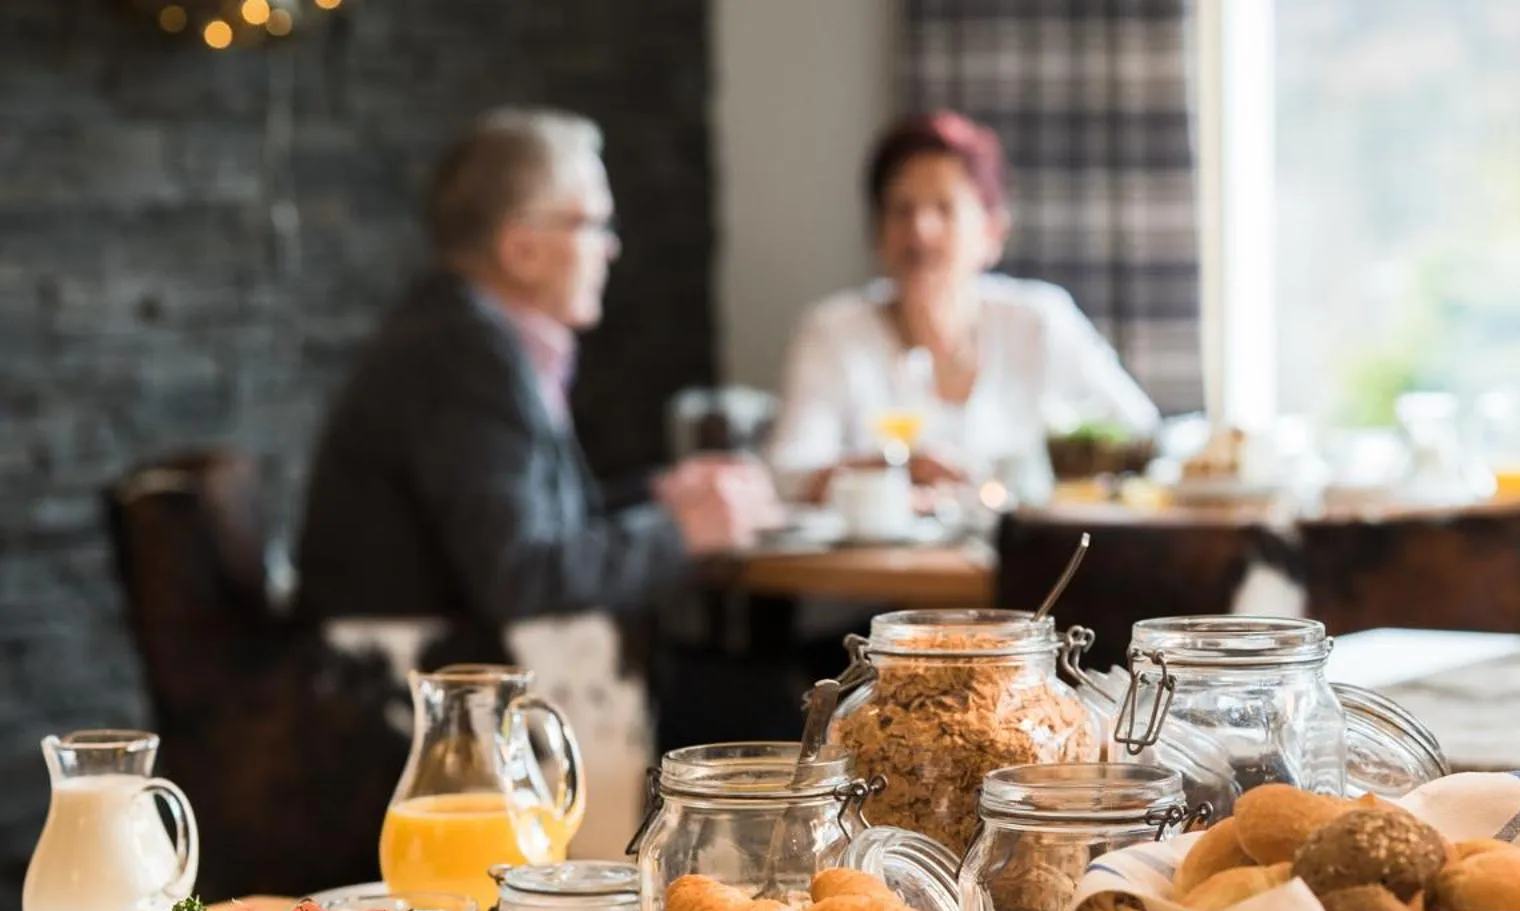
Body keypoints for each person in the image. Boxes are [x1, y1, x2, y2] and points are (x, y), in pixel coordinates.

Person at [296, 107, 778, 638]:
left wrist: (658, 494)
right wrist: (680, 534)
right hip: (409, 693)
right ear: (521, 249)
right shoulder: (460, 357)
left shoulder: (464, 333)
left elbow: (534, 527)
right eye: (594, 224)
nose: (611, 248)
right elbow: (517, 577)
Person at [765, 110, 1159, 501]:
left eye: (943, 208)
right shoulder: (834, 331)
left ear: (992, 231)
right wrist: (897, 469)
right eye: (901, 209)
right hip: (886, 562)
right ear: (877, 230)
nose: (920, 229)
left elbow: (1141, 432)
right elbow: (787, 474)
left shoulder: (1040, 319)